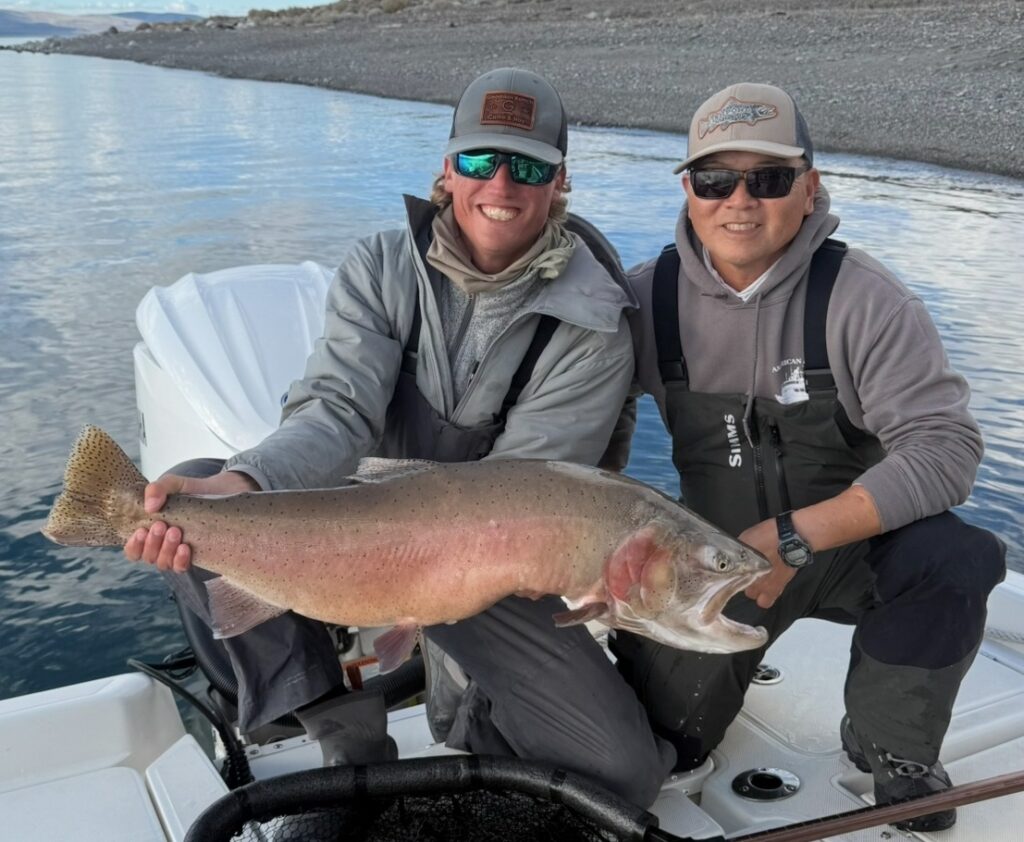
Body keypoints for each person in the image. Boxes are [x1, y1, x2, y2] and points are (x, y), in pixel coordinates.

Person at [124, 67, 676, 807]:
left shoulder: (596, 323)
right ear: (447, 170)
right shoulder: (381, 267)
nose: (501, 185)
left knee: (622, 778)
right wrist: (243, 483)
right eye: (481, 161)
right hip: (359, 516)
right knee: (190, 498)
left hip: (499, 558)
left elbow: (525, 498)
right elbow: (335, 412)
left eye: (529, 167)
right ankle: (347, 741)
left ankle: (475, 711)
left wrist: (429, 603)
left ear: (560, 182)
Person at [617, 82, 1006, 831]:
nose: (740, 201)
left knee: (956, 556)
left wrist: (797, 536)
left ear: (810, 187)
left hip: (848, 548)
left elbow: (947, 446)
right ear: (688, 189)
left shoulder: (866, 300)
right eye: (714, 179)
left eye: (768, 179)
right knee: (664, 749)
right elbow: (578, 428)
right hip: (716, 560)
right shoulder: (643, 300)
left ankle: (889, 745)